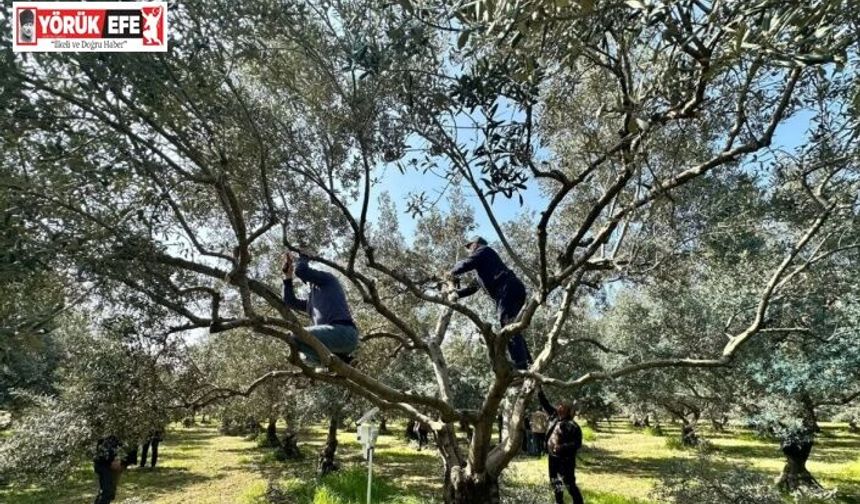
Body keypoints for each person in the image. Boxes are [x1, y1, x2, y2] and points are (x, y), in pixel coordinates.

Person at [448, 236, 532, 369]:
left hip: (508, 288)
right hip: (510, 290)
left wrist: (450, 272)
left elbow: (466, 264)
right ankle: (527, 363)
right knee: (512, 327)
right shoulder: (483, 269)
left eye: (470, 247)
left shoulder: (484, 250)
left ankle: (521, 366)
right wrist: (456, 294)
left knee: (507, 326)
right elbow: (472, 288)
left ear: (476, 244)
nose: (469, 250)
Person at [282, 253, 359, 365]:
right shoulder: (311, 302)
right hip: (334, 342)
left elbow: (301, 271)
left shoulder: (329, 280)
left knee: (295, 336)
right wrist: (288, 276)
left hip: (344, 332)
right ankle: (343, 360)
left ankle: (339, 360)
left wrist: (304, 256)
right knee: (305, 358)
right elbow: (290, 302)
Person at [539, 391, 584, 504]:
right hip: (553, 458)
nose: (559, 407)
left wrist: (562, 447)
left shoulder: (572, 426)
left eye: (562, 406)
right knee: (555, 482)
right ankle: (559, 502)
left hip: (566, 460)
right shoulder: (555, 417)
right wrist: (539, 391)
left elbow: (577, 444)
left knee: (569, 484)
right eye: (559, 405)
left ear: (567, 410)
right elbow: (545, 404)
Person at [93, 436, 137, 504]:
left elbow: (132, 445)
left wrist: (124, 463)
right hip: (104, 463)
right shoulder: (107, 432)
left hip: (114, 463)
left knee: (109, 492)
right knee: (107, 492)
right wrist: (111, 461)